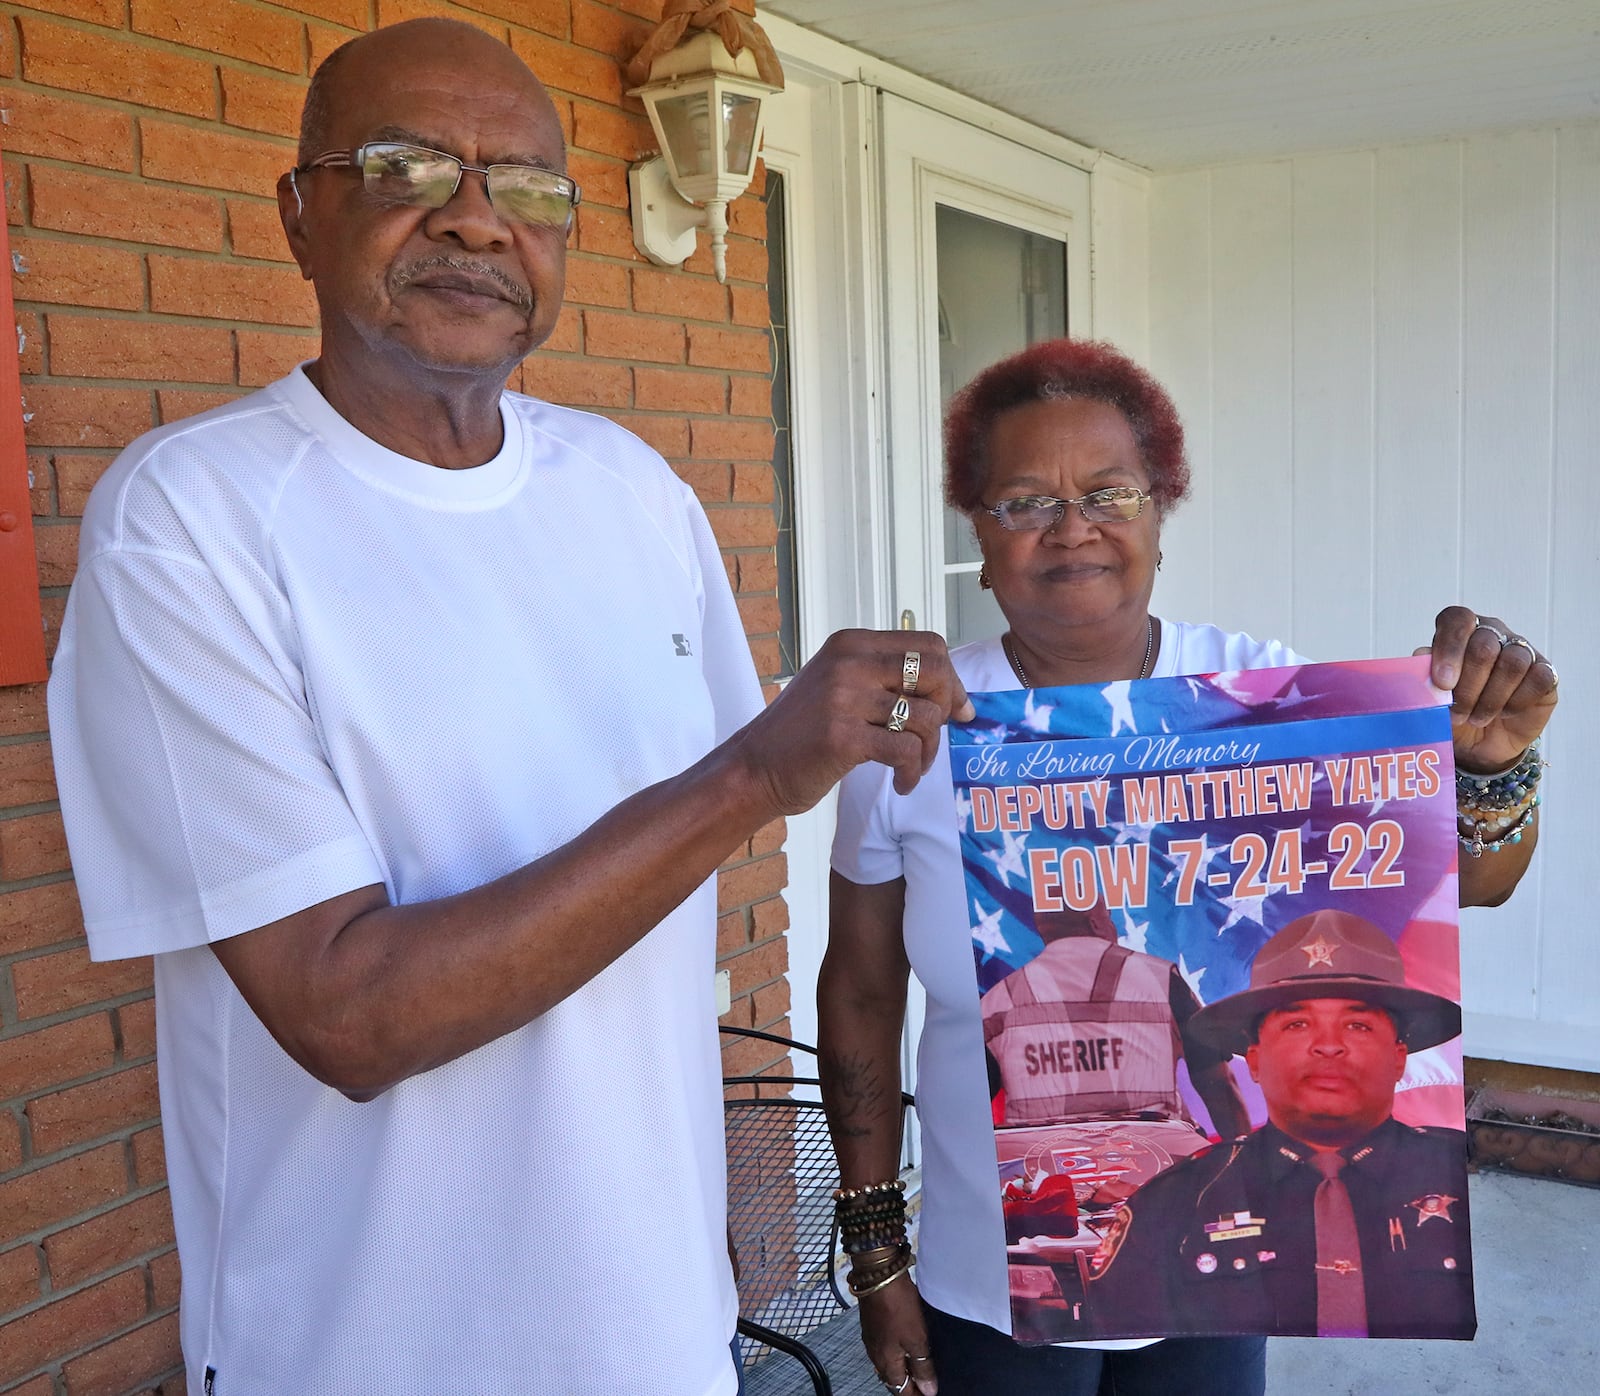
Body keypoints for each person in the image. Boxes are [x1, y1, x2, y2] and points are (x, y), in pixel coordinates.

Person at [45, 20, 970, 1395]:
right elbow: (345, 1017)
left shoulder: (636, 494)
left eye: (529, 187)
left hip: (657, 1335)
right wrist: (754, 775)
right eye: (409, 167)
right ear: (300, 215)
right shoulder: (189, 522)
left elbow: (683, 869)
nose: (477, 221)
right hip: (369, 1349)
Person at [820, 337, 1557, 1396]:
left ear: (1160, 512)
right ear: (977, 534)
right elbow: (855, 990)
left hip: (1218, 1261)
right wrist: (876, 1251)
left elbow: (1475, 881)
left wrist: (1492, 764)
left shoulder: (1269, 702)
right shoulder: (911, 731)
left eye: (1108, 490)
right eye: (1023, 501)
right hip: (991, 1277)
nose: (1071, 527)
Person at [1087, 909, 1474, 1341]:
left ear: (1400, 1057)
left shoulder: (1455, 1175)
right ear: (1253, 1059)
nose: (1329, 1046)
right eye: (1297, 1024)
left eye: (1358, 1024)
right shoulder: (1174, 1202)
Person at [981, 902, 1250, 1139]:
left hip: (1043, 1176)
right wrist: (1246, 1163)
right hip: (1159, 1167)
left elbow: (969, 1107)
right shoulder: (1161, 978)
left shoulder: (997, 1000)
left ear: (1043, 930)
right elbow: (1217, 1085)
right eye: (1109, 918)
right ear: (1097, 923)